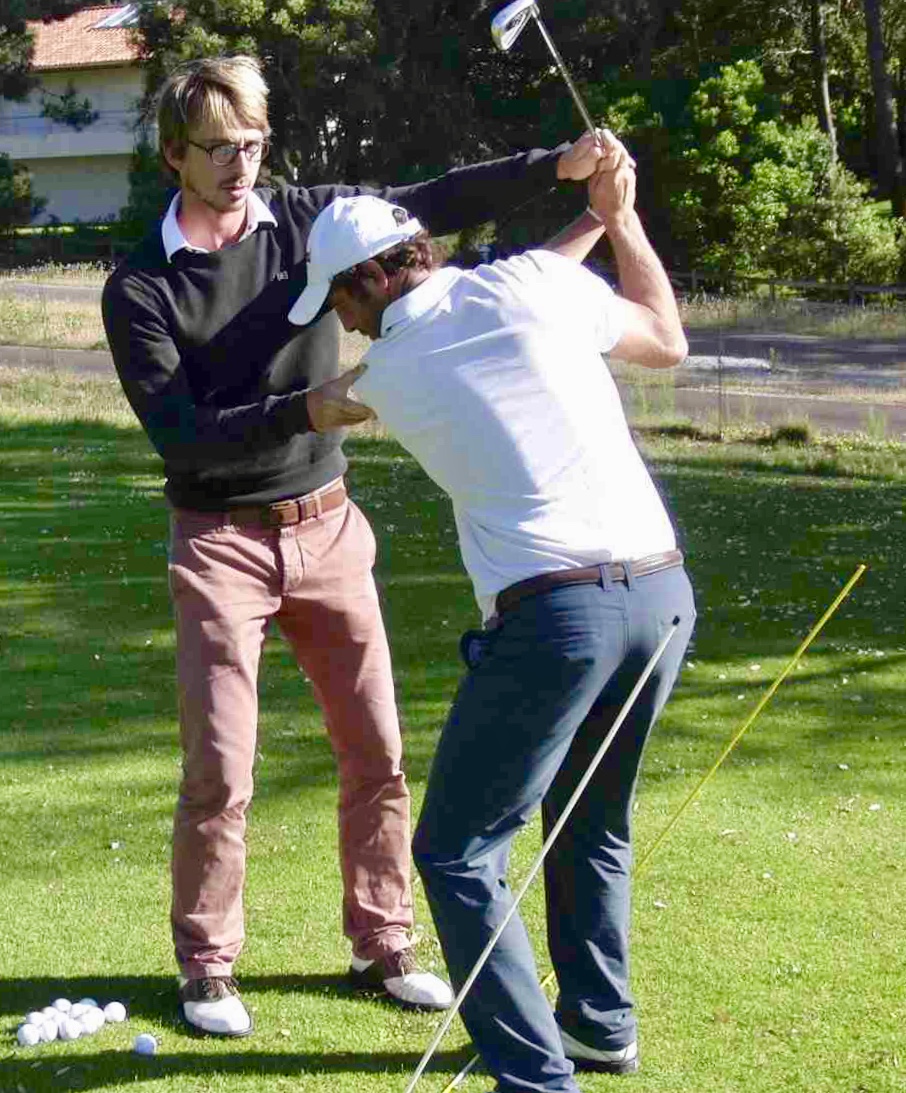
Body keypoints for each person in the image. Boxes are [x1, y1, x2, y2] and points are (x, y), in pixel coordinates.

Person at [101, 54, 604, 1038]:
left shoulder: (303, 218)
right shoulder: (141, 287)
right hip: (219, 542)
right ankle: (207, 966)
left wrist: (563, 164)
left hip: (328, 524)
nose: (241, 164)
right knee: (222, 767)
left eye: (252, 143)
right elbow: (180, 432)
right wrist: (310, 405)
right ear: (175, 156)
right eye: (217, 149)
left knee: (376, 747)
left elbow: (434, 198)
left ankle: (384, 944)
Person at [288, 130, 696, 1090]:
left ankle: (535, 1076)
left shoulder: (391, 372)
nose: (343, 324)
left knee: (458, 852)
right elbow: (665, 342)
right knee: (592, 821)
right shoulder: (527, 288)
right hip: (664, 595)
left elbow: (324, 402)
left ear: (366, 288)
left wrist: (598, 221)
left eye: (340, 304)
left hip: (559, 621)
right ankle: (599, 1027)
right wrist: (616, 222)